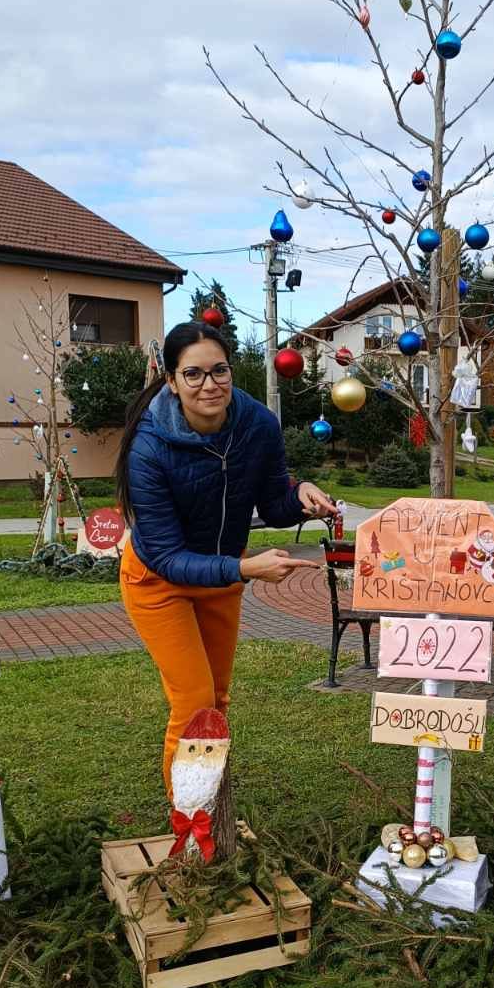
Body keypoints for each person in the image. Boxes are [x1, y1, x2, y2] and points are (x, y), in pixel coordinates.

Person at [114, 320, 336, 794]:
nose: (209, 385)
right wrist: (245, 568)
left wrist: (301, 496)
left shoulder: (257, 424)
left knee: (216, 699)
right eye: (193, 374)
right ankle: (189, 828)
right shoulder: (148, 448)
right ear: (172, 381)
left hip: (221, 577)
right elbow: (167, 557)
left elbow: (273, 502)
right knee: (194, 702)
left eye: (220, 371)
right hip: (159, 582)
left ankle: (211, 807)